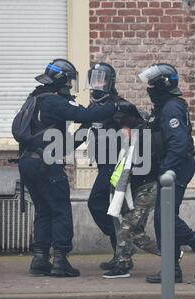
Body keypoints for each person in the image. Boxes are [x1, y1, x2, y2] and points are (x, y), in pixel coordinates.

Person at [20, 59, 118, 277]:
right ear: (62, 81)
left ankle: (39, 259)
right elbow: (86, 115)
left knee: (44, 210)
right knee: (60, 210)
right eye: (69, 82)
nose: (70, 87)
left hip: (27, 162)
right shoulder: (55, 102)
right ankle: (61, 261)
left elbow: (66, 144)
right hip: (46, 164)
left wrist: (84, 130)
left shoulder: (35, 97)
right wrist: (114, 106)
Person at [139, 63, 195, 284]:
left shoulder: (172, 107)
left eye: (153, 84)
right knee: (162, 219)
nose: (150, 88)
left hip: (177, 168)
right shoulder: (164, 106)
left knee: (165, 217)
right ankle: (171, 269)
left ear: (163, 85)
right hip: (171, 167)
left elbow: (179, 143)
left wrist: (167, 170)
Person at [82, 62, 137, 271]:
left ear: (109, 82)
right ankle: (120, 253)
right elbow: (81, 132)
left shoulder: (118, 106)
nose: (96, 83)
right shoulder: (93, 108)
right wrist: (60, 150)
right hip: (103, 164)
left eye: (100, 79)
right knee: (112, 212)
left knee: (96, 202)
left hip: (117, 166)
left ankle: (124, 247)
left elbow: (135, 131)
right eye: (93, 79)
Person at [102, 109, 160, 279]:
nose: (120, 133)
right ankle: (125, 262)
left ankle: (123, 266)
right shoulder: (128, 146)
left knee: (127, 228)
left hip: (147, 190)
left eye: (123, 129)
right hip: (137, 191)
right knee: (135, 232)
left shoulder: (143, 141)